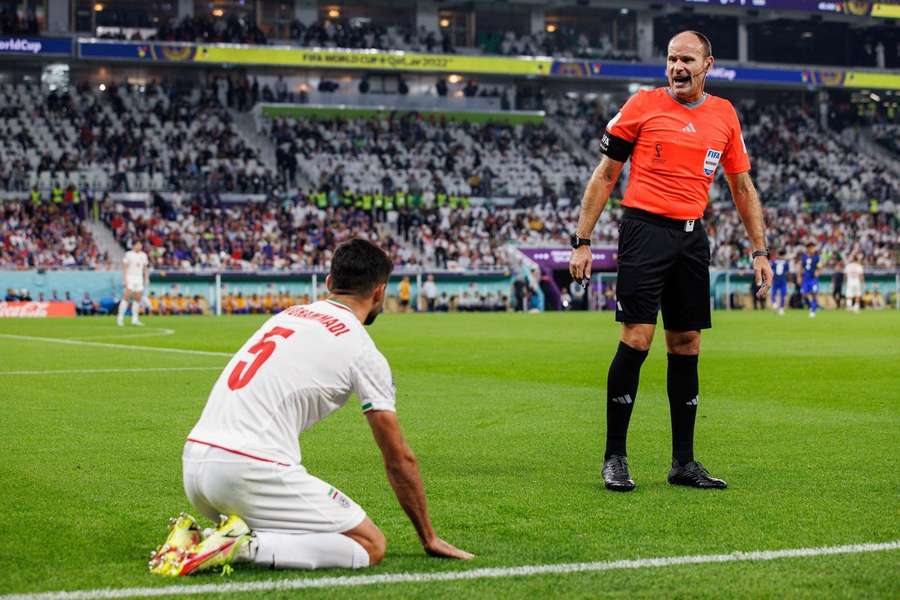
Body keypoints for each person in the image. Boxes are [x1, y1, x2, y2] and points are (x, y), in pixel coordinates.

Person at [149, 239, 472, 576]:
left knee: (304, 531)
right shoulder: (362, 349)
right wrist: (429, 537)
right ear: (379, 293)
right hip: (247, 470)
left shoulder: (286, 316)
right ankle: (240, 545)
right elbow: (397, 457)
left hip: (195, 466)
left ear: (329, 283)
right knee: (370, 545)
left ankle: (207, 537)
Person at [569, 30, 772, 492]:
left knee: (687, 346)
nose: (678, 68)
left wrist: (760, 251)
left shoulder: (724, 115)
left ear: (708, 65)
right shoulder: (642, 106)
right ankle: (615, 457)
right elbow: (605, 176)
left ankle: (683, 462)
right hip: (644, 231)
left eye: (687, 60)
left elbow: (742, 188)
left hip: (691, 238)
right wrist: (582, 239)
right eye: (671, 59)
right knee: (637, 339)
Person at [117, 241, 149, 326]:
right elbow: (125, 267)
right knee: (126, 297)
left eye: (141, 244)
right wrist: (125, 279)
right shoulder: (128, 254)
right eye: (138, 244)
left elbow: (145, 268)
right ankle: (120, 318)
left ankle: (135, 319)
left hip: (139, 278)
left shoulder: (144, 255)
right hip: (130, 276)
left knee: (138, 298)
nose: (140, 246)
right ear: (134, 246)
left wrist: (146, 278)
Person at [800, 242, 820, 318]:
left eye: (813, 247)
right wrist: (799, 276)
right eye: (811, 247)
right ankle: (811, 305)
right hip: (805, 278)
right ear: (808, 248)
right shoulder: (804, 257)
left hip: (813, 279)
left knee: (814, 293)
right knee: (804, 294)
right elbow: (801, 267)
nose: (812, 249)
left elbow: (819, 267)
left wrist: (818, 272)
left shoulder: (816, 257)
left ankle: (813, 310)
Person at [770, 249, 789, 316]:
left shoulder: (785, 263)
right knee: (773, 293)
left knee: (783, 295)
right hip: (776, 280)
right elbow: (771, 272)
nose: (781, 256)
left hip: (783, 281)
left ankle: (781, 308)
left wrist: (789, 281)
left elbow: (787, 273)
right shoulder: (774, 262)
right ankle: (774, 303)